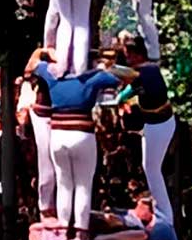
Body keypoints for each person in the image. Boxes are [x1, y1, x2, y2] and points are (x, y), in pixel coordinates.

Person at [27, 45, 122, 229]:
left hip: (58, 135)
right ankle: (81, 230)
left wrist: (44, 51)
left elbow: (32, 64)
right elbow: (125, 77)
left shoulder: (52, 74)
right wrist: (105, 66)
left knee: (64, 183)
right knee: (83, 185)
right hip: (82, 134)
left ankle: (63, 227)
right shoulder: (95, 77)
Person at [116, 33, 176, 225]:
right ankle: (163, 211)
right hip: (153, 125)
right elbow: (130, 89)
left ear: (137, 54)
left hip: (160, 125)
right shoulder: (144, 74)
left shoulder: (148, 71)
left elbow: (127, 76)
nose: (127, 58)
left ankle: (165, 215)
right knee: (150, 168)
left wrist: (106, 68)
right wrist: (121, 99)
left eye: (129, 54)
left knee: (151, 169)